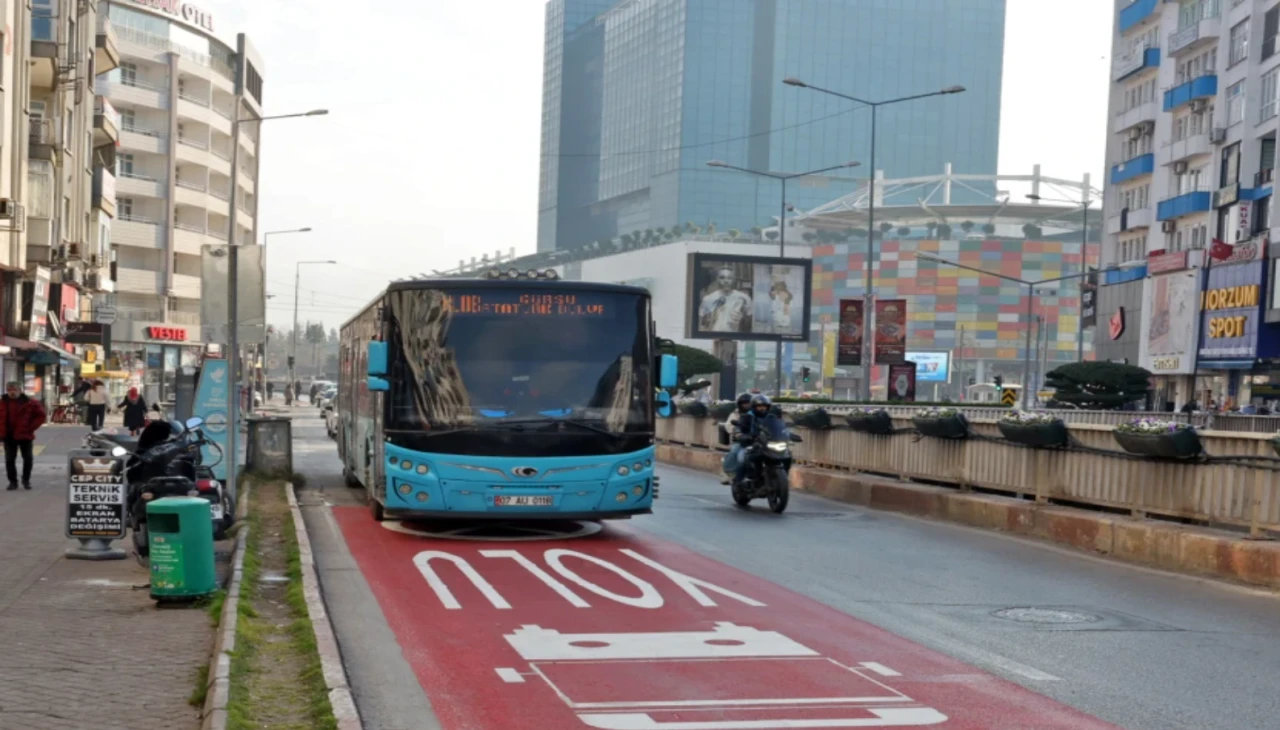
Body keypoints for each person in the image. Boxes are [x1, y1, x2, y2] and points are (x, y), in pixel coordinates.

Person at [0, 381, 46, 490]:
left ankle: (26, 480)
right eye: (9, 390)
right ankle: (13, 482)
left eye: (14, 390)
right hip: (8, 436)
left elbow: (41, 416)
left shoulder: (30, 402)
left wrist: (31, 428)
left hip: (25, 435)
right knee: (10, 460)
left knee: (28, 459)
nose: (12, 392)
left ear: (19, 390)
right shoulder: (2, 402)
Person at [732, 394, 779, 488]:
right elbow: (738, 429)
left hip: (767, 445)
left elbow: (780, 428)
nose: (762, 409)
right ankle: (739, 481)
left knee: (786, 454)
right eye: (759, 406)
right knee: (742, 459)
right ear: (754, 407)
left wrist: (789, 434)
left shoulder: (772, 418)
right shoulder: (746, 417)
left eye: (764, 406)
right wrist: (741, 435)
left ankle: (779, 477)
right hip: (751, 445)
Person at [698, 267, 751, 333]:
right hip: (713, 336)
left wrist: (743, 319)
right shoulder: (707, 299)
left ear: (734, 280)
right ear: (717, 279)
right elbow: (701, 324)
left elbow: (750, 324)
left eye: (729, 278)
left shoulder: (744, 298)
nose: (726, 281)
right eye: (722, 278)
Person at [720, 392, 753, 485]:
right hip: (741, 440)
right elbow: (729, 425)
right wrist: (737, 433)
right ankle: (728, 473)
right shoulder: (735, 414)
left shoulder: (757, 413)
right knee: (735, 451)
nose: (746, 405)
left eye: (748, 403)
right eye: (744, 403)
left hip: (756, 439)